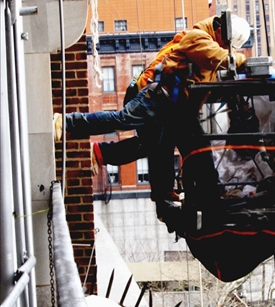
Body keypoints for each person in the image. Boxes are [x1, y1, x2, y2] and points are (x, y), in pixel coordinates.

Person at [54, 16, 250, 225]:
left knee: (164, 145)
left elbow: (205, 80)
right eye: (228, 45)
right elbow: (217, 57)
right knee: (124, 121)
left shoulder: (207, 46)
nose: (226, 49)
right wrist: (242, 60)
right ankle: (66, 122)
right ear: (219, 31)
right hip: (157, 97)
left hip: (171, 105)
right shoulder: (199, 38)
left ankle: (173, 195)